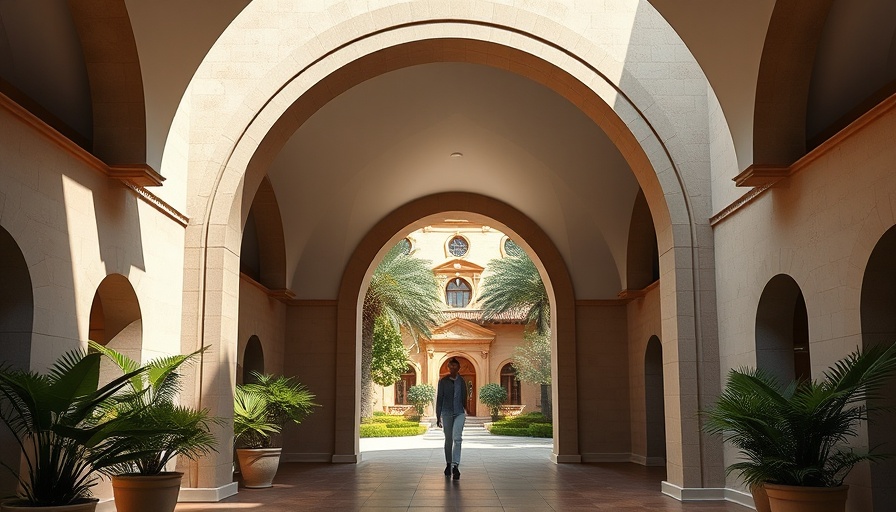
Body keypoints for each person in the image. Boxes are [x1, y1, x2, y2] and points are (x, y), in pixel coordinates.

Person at [436, 357, 466, 480]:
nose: (453, 368)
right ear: (448, 368)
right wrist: (438, 416)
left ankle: (455, 466)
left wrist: (465, 410)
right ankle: (448, 464)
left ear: (459, 368)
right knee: (448, 439)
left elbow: (465, 395)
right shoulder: (443, 381)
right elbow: (439, 398)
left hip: (459, 412)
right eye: (451, 366)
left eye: (455, 366)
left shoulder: (462, 381)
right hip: (447, 413)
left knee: (457, 438)